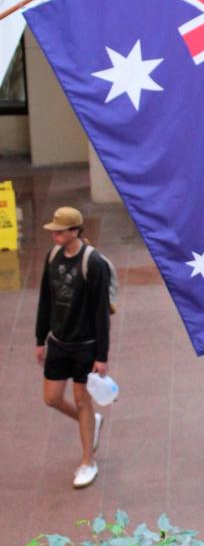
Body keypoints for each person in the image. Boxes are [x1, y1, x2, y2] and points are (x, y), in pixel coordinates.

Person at [34, 206, 111, 489]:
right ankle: (91, 421)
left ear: (74, 232)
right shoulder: (53, 256)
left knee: (81, 401)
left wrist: (101, 356)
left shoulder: (94, 263)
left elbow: (101, 313)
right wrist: (40, 339)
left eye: (59, 230)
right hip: (58, 342)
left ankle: (87, 462)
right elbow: (45, 298)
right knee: (52, 398)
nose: (54, 234)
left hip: (85, 346)